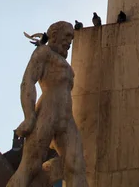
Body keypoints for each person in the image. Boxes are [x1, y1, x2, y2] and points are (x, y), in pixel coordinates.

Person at [7, 21, 88, 187]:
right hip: (47, 112)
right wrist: (29, 116)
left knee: (76, 165)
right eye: (66, 36)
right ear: (55, 35)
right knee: (30, 166)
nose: (69, 41)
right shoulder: (43, 52)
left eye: (71, 38)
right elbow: (27, 82)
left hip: (67, 118)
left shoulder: (65, 64)